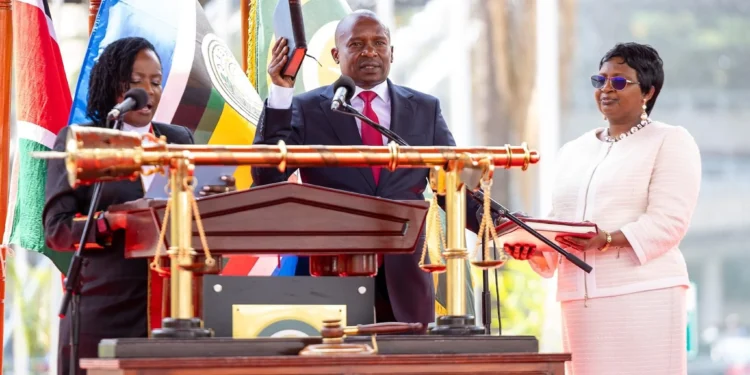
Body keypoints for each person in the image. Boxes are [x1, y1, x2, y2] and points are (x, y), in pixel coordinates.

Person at [252, 10, 482, 327]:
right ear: (336, 54)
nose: (370, 51)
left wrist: (501, 224)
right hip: (331, 273)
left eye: (379, 43)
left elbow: (453, 185)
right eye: (357, 43)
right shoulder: (307, 108)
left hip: (406, 279)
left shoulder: (425, 108)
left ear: (391, 52)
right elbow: (267, 177)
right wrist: (280, 92)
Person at [505, 42, 701, 374]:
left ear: (648, 92)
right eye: (600, 80)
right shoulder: (573, 150)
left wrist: (607, 239)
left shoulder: (670, 140)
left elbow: (669, 222)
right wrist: (536, 248)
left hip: (644, 294)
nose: (607, 89)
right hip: (578, 301)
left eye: (620, 81)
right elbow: (560, 222)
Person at [43, 37, 229, 374]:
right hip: (104, 305)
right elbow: (56, 230)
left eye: (155, 82)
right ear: (113, 84)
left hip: (172, 307)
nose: (149, 91)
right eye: (135, 83)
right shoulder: (80, 141)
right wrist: (110, 221)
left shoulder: (179, 139)